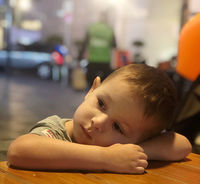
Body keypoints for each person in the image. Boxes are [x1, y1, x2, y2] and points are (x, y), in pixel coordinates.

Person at [7, 64, 192, 174]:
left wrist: (132, 153)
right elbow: (19, 151)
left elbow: (182, 145)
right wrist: (106, 158)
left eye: (118, 127)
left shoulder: (121, 149)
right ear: (92, 90)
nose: (98, 122)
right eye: (101, 104)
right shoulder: (58, 131)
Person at [78, 11, 116, 86]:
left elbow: (85, 43)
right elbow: (114, 45)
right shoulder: (110, 29)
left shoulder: (91, 27)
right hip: (105, 59)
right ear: (107, 18)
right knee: (104, 83)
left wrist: (80, 57)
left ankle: (92, 96)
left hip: (93, 59)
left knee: (91, 83)